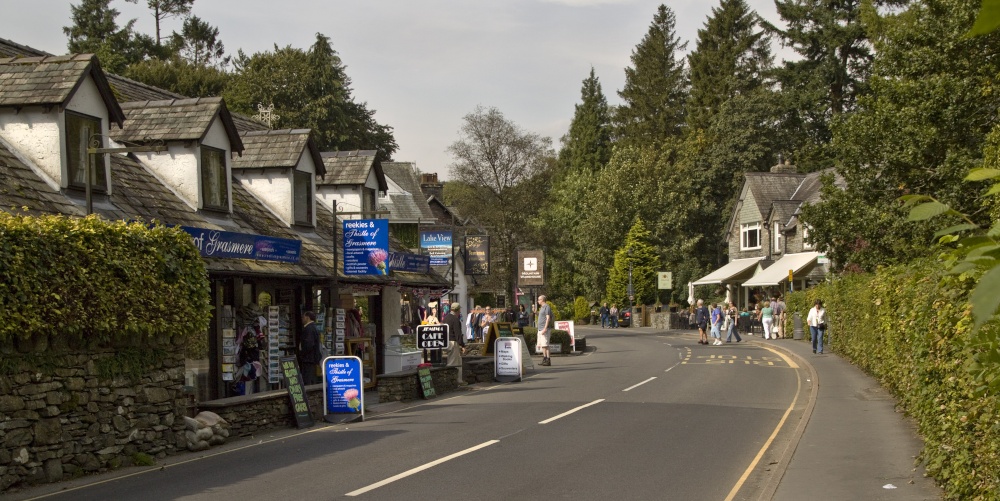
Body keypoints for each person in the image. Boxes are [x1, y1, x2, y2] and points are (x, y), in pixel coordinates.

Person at [442, 303, 466, 383]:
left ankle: (458, 380)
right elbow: (458, 334)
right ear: (457, 310)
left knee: (455, 361)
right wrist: (462, 345)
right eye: (459, 309)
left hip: (445, 342)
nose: (460, 311)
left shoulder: (445, 318)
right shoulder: (455, 319)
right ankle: (453, 381)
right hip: (453, 342)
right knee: (454, 362)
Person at [298, 310, 321, 386]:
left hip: (308, 358)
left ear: (307, 318)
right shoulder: (313, 327)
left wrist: (302, 353)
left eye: (303, 317)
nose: (302, 319)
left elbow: (309, 344)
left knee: (307, 379)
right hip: (311, 358)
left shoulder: (309, 328)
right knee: (310, 378)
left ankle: (308, 392)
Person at [536, 295, 554, 366]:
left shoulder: (547, 307)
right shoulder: (542, 307)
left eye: (539, 299)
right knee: (542, 345)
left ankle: (548, 360)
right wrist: (535, 312)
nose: (538, 301)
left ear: (542, 300)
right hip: (540, 329)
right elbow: (541, 316)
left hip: (544, 329)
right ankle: (544, 358)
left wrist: (545, 328)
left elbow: (548, 318)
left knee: (546, 345)